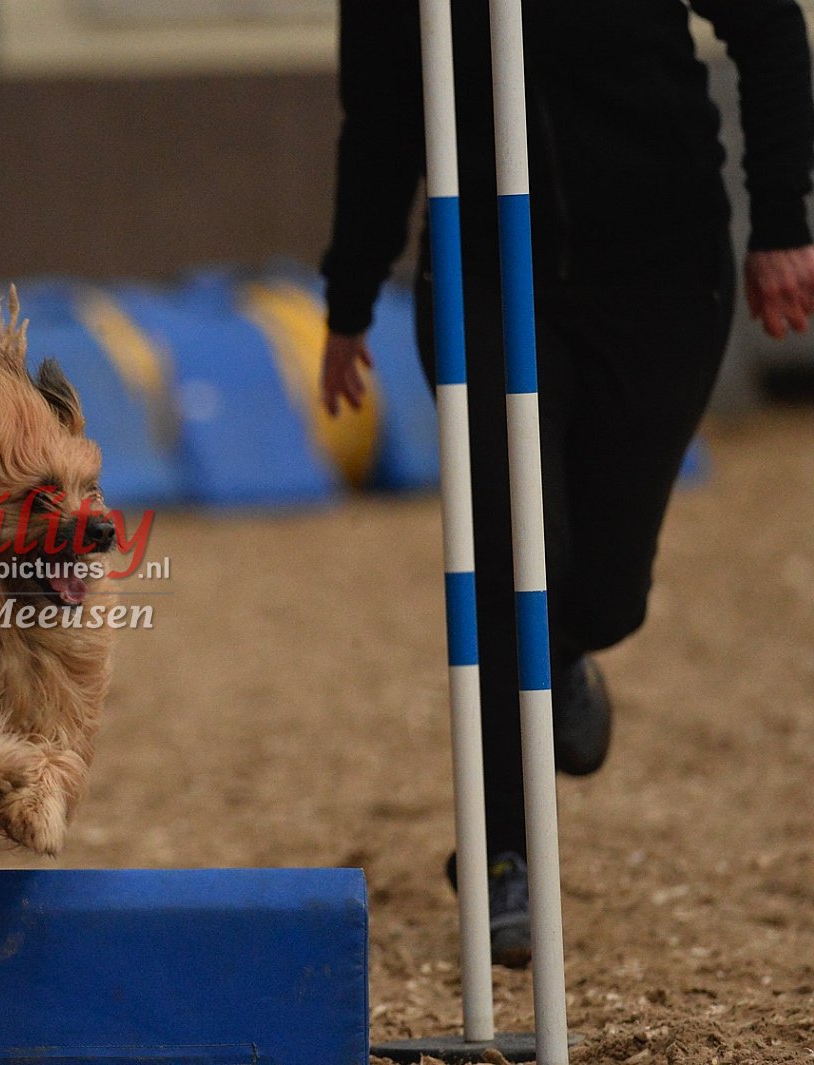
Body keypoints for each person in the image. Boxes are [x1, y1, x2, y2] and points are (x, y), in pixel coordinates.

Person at [319, 0, 814, 968]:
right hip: (483, 279)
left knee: (602, 590)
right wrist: (348, 300)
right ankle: (504, 857)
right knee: (510, 568)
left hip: (661, 268)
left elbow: (768, 28)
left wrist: (783, 223)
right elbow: (378, 116)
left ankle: (574, 646)